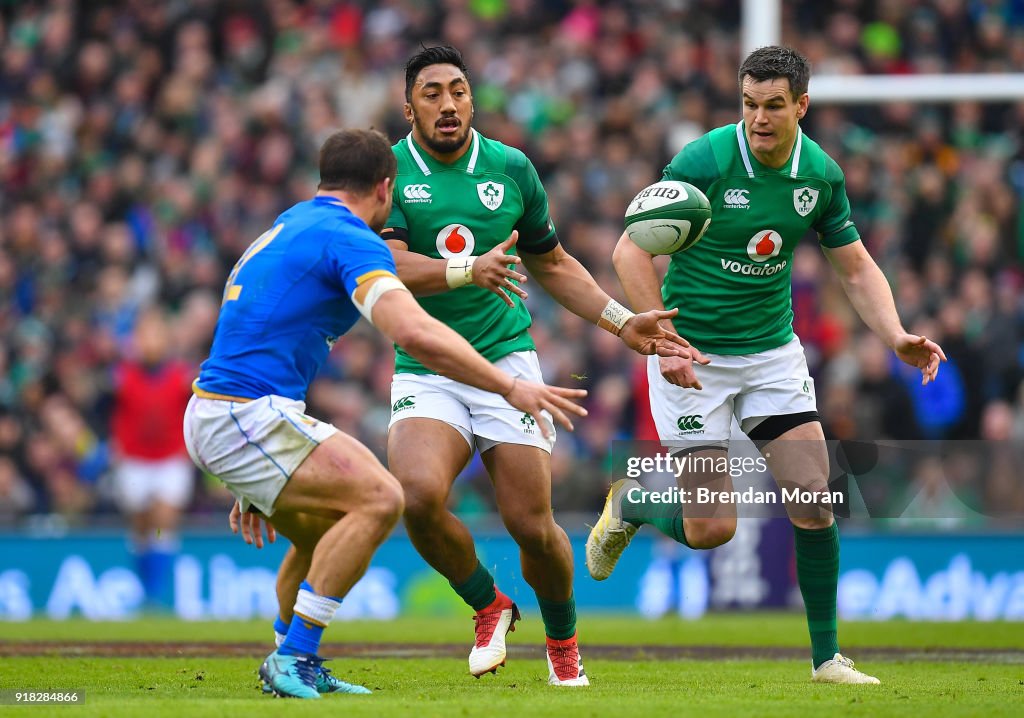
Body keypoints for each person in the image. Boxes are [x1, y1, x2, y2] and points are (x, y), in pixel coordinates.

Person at [184, 127, 591, 699]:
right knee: (382, 497)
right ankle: (295, 656)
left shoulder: (294, 222)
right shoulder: (350, 238)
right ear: (385, 187)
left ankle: (290, 657)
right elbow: (415, 331)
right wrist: (510, 386)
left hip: (232, 414)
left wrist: (252, 467)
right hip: (243, 415)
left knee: (323, 525)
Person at [585, 45, 947, 685]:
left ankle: (826, 659)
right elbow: (628, 254)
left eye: (773, 105)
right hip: (691, 358)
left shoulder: (821, 176)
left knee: (814, 502)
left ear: (801, 105)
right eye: (749, 104)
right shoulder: (705, 159)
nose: (758, 117)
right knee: (711, 529)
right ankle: (634, 505)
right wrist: (663, 343)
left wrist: (894, 335)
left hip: (770, 356)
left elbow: (856, 266)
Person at [379, 45, 692, 687]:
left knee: (531, 524)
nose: (447, 104)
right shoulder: (389, 172)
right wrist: (466, 269)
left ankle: (562, 639)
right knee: (415, 497)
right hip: (428, 363)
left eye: (458, 91)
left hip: (507, 363)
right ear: (407, 104)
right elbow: (387, 266)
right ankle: (488, 603)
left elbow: (552, 263)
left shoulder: (511, 168)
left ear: (473, 98)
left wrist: (620, 319)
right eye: (432, 92)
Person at [109, 308, 195, 610]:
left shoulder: (181, 377)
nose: (150, 342)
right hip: (134, 460)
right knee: (142, 527)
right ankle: (145, 587)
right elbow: (108, 413)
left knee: (163, 519)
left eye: (156, 334)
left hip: (170, 458)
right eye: (144, 335)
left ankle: (155, 592)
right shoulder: (121, 376)